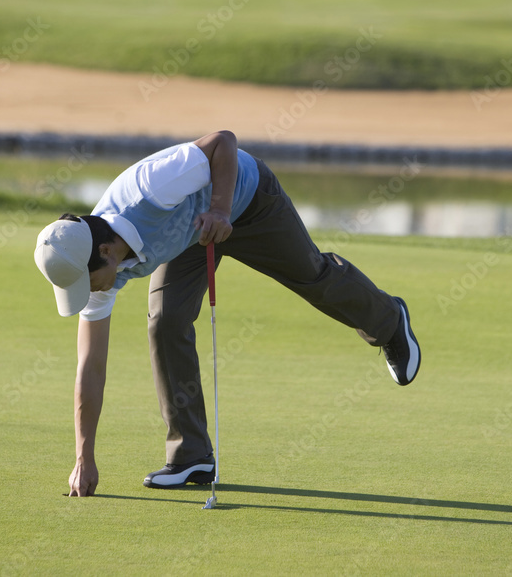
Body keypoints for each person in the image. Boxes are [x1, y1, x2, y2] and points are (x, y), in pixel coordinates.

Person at [34, 130, 420, 497]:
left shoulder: (148, 190)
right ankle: (192, 456)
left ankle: (389, 320)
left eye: (88, 282)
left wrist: (220, 209)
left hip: (249, 200)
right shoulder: (99, 262)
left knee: (312, 275)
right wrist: (84, 457)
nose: (91, 291)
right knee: (166, 321)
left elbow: (223, 143)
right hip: (191, 235)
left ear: (104, 253)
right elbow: (90, 367)